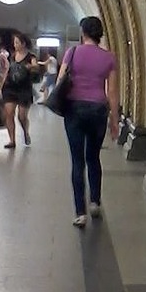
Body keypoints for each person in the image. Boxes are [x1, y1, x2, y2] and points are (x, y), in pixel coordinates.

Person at [56, 16, 119, 227]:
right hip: (98, 110)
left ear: (83, 33)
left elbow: (60, 80)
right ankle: (95, 202)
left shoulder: (72, 53)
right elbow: (112, 92)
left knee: (77, 161)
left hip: (74, 109)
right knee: (93, 157)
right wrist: (114, 121)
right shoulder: (109, 58)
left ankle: (80, 213)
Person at [0, 33, 37, 149]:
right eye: (14, 42)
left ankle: (25, 131)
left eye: (17, 42)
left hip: (24, 89)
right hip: (10, 88)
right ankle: (12, 140)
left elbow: (36, 66)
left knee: (22, 116)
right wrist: (1, 85)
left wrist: (31, 67)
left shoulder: (31, 57)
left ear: (23, 44)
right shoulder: (12, 56)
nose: (15, 45)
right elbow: (7, 71)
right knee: (9, 113)